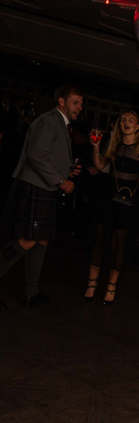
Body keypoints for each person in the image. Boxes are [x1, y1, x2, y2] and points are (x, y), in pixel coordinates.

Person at [0, 84, 83, 310]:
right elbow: (36, 155)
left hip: (44, 188)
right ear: (62, 101)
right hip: (35, 187)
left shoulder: (60, 124)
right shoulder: (48, 120)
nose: (80, 108)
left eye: (81, 104)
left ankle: (31, 293)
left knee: (42, 239)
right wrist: (61, 181)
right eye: (76, 103)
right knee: (29, 239)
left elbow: (47, 155)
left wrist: (66, 171)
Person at [83, 111, 139, 305]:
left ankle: (111, 287)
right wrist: (96, 147)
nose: (126, 122)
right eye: (123, 120)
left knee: (118, 242)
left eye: (131, 120)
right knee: (98, 237)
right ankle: (91, 284)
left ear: (138, 127)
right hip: (108, 194)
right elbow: (99, 164)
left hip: (128, 197)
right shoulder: (115, 146)